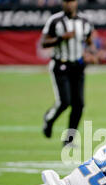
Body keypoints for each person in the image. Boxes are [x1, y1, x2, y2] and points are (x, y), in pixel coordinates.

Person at [40, 0, 96, 147]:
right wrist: (61, 38)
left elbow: (89, 40)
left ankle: (69, 140)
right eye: (66, 1)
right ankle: (49, 119)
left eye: (71, 1)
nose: (69, 5)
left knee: (79, 105)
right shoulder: (55, 21)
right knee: (64, 102)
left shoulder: (84, 21)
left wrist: (91, 53)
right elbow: (43, 43)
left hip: (78, 66)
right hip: (60, 65)